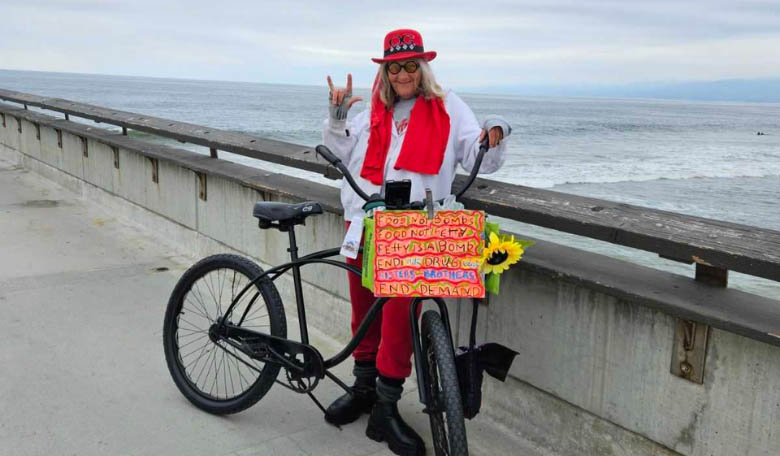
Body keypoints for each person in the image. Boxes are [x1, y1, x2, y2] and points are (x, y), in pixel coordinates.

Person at [322, 28, 511, 456]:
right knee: (364, 313)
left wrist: (494, 130)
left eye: (410, 66)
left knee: (399, 316)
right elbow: (342, 151)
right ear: (386, 71)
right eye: (394, 67)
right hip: (364, 223)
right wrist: (335, 115)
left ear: (422, 68)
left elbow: (476, 151)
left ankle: (387, 408)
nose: (402, 74)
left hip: (415, 233)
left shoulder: (448, 107)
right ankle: (364, 391)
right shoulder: (373, 111)